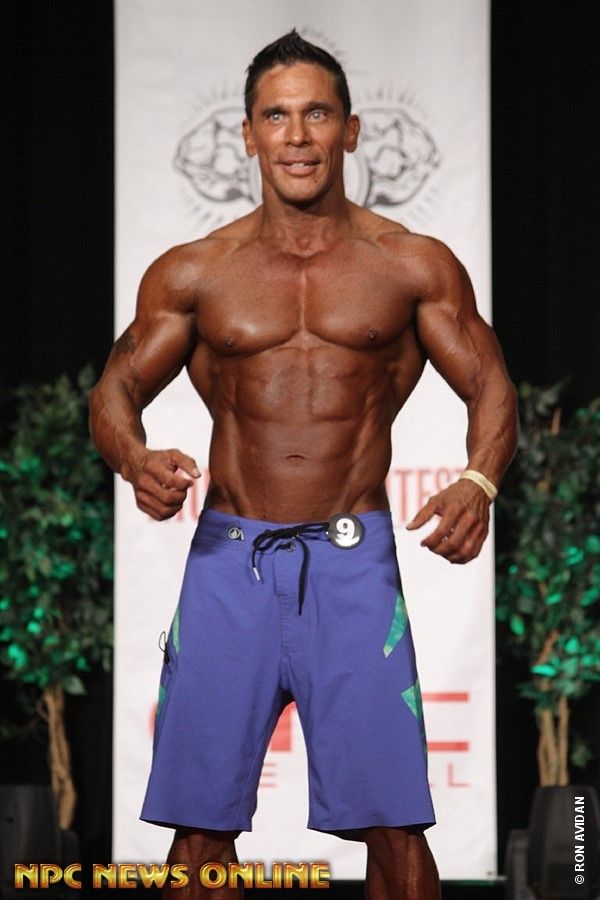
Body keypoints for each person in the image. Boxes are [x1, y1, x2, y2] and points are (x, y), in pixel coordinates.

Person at [90, 29, 518, 900]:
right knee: (198, 826)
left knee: (395, 825)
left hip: (353, 565)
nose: (296, 136)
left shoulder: (411, 264)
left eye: (316, 114)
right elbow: (115, 388)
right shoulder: (196, 272)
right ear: (248, 134)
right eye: (276, 116)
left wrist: (480, 479)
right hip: (228, 563)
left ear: (350, 130)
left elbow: (490, 383)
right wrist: (133, 458)